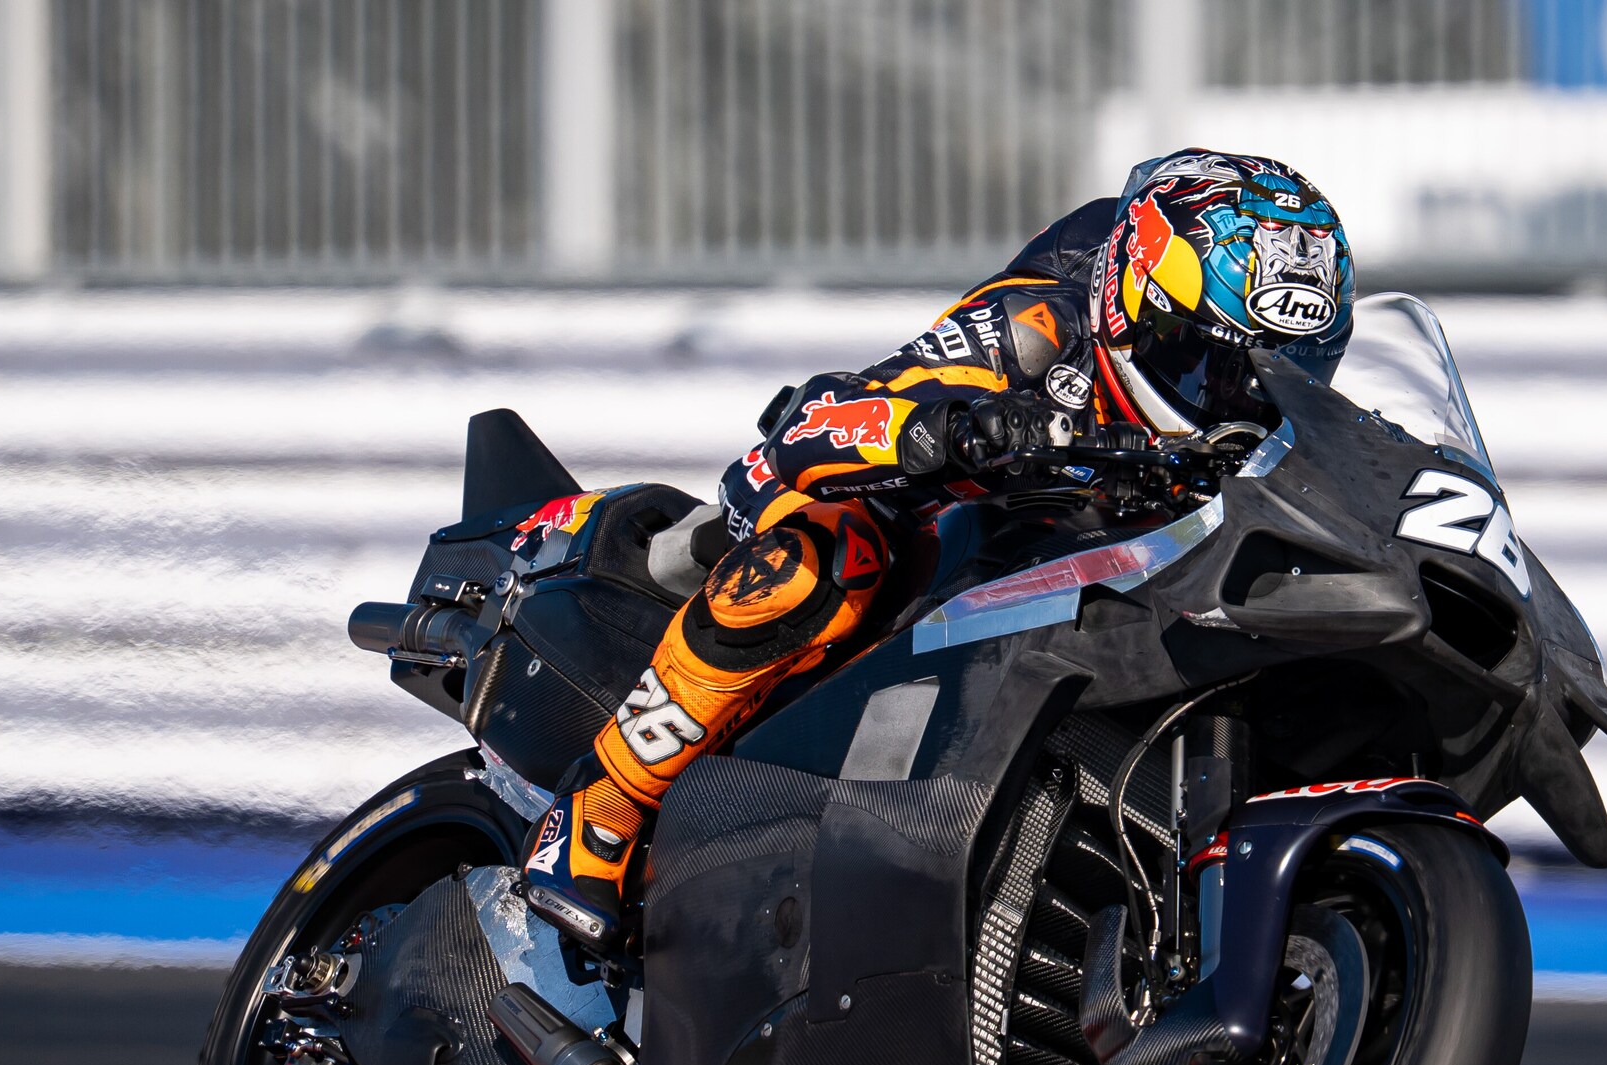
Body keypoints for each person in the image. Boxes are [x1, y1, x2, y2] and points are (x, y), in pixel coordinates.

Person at [522, 149, 1356, 952]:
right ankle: (599, 810)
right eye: (1201, 362)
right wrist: (954, 430)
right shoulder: (1034, 324)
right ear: (1129, 302)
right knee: (829, 553)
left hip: (1099, 597)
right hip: (917, 547)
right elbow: (812, 431)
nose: (1230, 400)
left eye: (1271, 377)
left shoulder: (1242, 429)